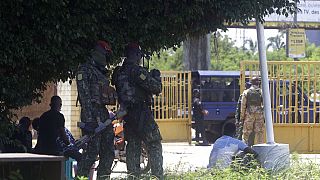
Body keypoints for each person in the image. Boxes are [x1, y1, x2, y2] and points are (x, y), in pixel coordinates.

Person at [111, 43, 163, 179]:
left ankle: (133, 177)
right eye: (139, 55)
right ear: (135, 55)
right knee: (154, 143)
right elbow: (156, 88)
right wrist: (156, 77)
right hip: (141, 113)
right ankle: (157, 176)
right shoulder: (137, 71)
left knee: (133, 146)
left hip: (127, 115)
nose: (140, 58)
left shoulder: (118, 72)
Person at [76, 40, 115, 179]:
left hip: (103, 113)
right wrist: (89, 119)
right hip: (91, 113)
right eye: (105, 53)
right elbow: (84, 95)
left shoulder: (100, 72)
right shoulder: (84, 69)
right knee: (91, 153)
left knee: (109, 152)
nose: (106, 57)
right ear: (98, 52)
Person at [240, 77, 264, 145]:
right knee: (259, 132)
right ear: (258, 83)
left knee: (246, 132)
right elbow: (265, 104)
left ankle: (244, 147)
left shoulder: (246, 92)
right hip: (259, 114)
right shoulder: (261, 92)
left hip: (249, 114)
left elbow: (243, 105)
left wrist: (242, 116)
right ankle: (260, 147)